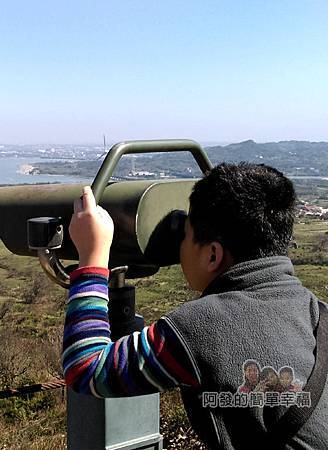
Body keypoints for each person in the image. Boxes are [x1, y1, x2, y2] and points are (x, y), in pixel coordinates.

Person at [63, 163, 327, 449]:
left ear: (213, 254)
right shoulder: (319, 314)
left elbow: (86, 369)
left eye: (186, 235)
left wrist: (92, 256)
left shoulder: (204, 326)